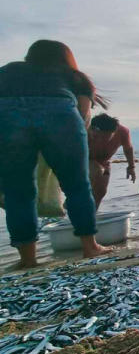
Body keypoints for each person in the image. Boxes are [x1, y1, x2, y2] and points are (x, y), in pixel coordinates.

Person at [0, 40, 110, 266]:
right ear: (66, 58)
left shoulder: (8, 71)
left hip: (8, 116)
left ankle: (28, 259)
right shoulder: (73, 77)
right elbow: (83, 116)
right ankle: (90, 247)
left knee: (18, 191)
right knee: (77, 186)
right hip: (60, 115)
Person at [88, 113, 135, 208]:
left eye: (106, 138)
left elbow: (128, 149)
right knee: (97, 170)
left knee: (101, 191)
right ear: (92, 129)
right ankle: (74, 199)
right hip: (83, 160)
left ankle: (91, 217)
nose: (102, 141)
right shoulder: (84, 129)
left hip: (104, 162)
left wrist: (131, 166)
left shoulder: (123, 131)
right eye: (98, 137)